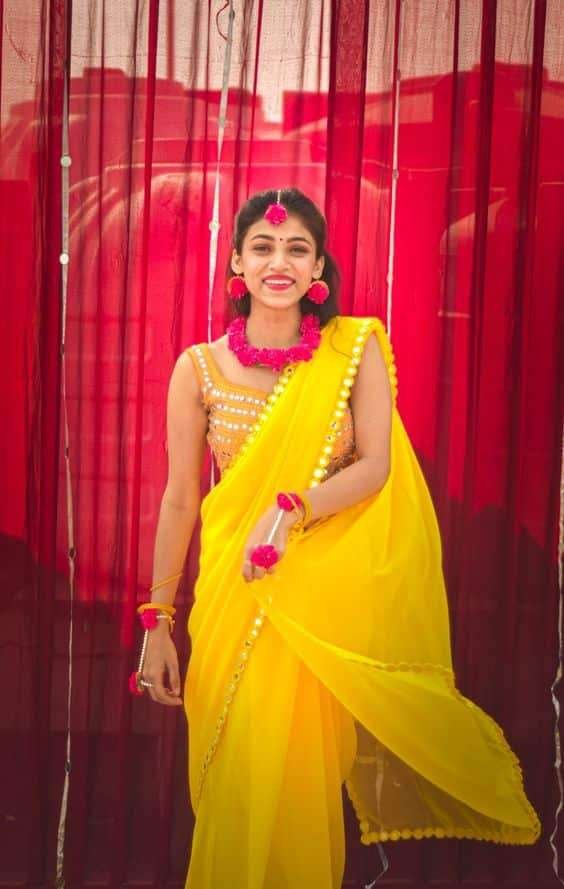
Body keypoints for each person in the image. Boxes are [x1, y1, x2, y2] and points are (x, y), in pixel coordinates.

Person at [130, 188, 541, 888]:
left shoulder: (354, 348)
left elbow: (376, 466)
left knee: (298, 782)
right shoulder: (197, 369)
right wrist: (157, 620)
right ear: (237, 263)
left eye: (297, 249)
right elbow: (179, 498)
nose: (279, 262)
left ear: (318, 266)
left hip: (317, 602)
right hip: (235, 594)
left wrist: (292, 510)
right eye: (263, 247)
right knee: (235, 780)